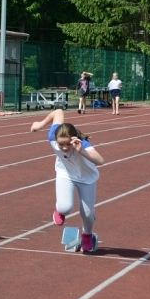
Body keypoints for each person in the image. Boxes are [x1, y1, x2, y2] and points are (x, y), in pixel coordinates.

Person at [30, 108, 104, 253]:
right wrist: (41, 124)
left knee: (87, 214)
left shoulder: (84, 145)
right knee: (65, 208)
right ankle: (59, 210)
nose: (64, 148)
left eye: (68, 144)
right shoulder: (53, 136)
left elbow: (100, 160)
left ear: (74, 139)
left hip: (86, 178)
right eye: (61, 144)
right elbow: (58, 112)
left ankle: (87, 235)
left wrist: (81, 150)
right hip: (66, 174)